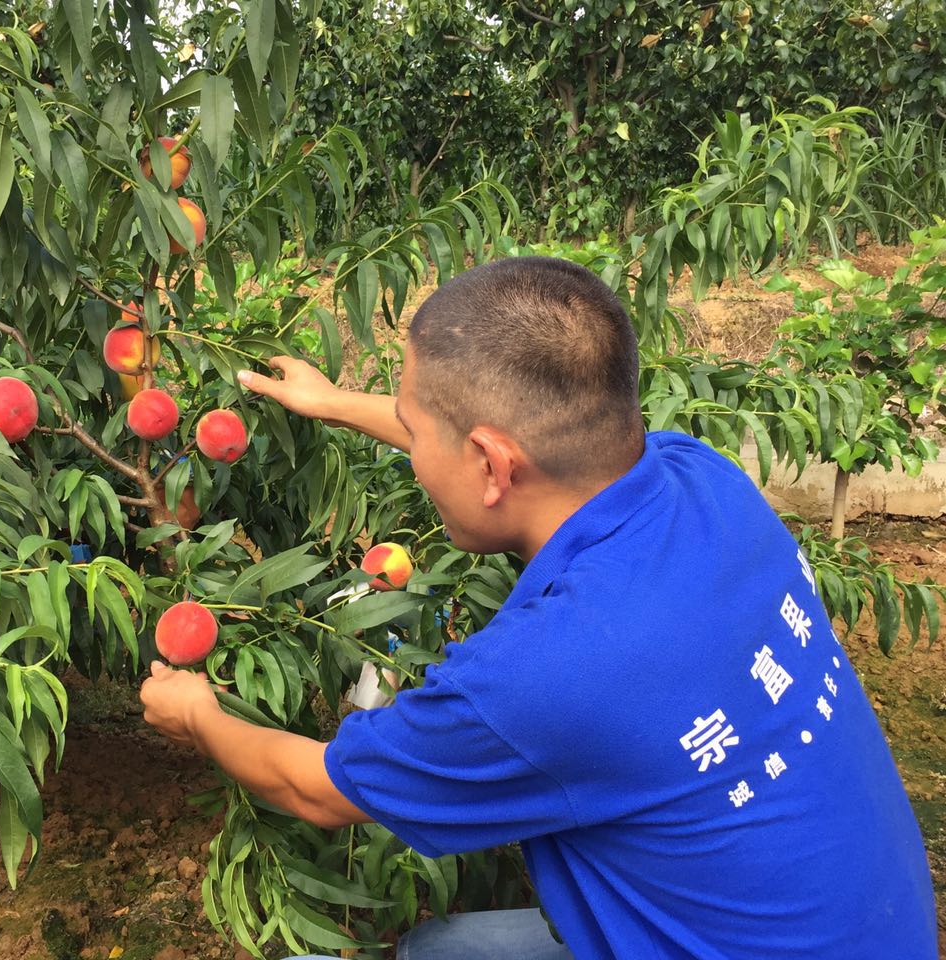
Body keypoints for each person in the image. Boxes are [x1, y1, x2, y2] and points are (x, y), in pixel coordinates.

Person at [139, 256, 937, 959]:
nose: (415, 455)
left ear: (490, 465)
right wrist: (336, 402)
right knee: (440, 950)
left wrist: (198, 713)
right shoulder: (701, 476)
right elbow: (508, 437)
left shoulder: (546, 675)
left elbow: (314, 790)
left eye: (416, 433)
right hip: (869, 925)